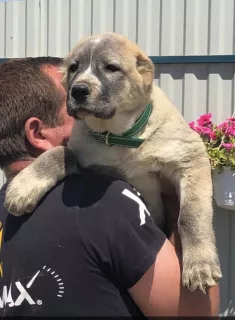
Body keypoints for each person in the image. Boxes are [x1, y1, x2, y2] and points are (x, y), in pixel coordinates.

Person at [0, 57, 220, 317]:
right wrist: (175, 201)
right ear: (37, 134)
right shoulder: (99, 201)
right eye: (80, 109)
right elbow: (195, 312)